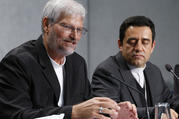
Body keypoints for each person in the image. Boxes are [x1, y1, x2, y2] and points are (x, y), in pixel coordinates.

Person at [0, 0, 138, 119]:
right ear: (46, 24)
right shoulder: (17, 62)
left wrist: (111, 112)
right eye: (67, 27)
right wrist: (72, 113)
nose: (75, 36)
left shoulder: (77, 63)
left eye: (79, 30)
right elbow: (15, 115)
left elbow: (86, 109)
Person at [91, 16, 179, 119]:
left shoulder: (154, 71)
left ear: (152, 47)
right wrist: (156, 113)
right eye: (132, 42)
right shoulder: (106, 71)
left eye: (145, 42)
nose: (138, 48)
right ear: (120, 44)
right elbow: (109, 112)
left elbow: (169, 102)